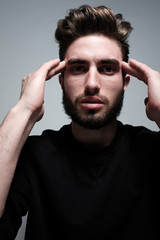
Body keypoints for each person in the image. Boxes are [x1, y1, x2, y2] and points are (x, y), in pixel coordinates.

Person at [0, 4, 159, 239]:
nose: (92, 83)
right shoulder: (31, 155)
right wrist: (22, 111)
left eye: (106, 68)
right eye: (78, 68)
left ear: (125, 82)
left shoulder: (152, 151)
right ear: (61, 81)